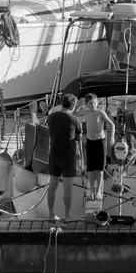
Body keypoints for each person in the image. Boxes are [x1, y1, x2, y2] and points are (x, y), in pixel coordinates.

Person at [47, 93, 82, 221]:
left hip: (54, 155)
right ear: (73, 106)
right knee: (68, 187)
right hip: (68, 156)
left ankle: (51, 214)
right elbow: (78, 140)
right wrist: (81, 160)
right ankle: (67, 216)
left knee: (52, 186)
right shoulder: (74, 120)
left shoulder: (51, 117)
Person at [75, 93, 115, 200]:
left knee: (100, 169)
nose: (92, 105)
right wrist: (78, 104)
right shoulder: (86, 112)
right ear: (87, 104)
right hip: (90, 142)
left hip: (100, 142)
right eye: (90, 103)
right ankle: (92, 191)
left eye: (94, 102)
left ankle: (98, 192)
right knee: (91, 170)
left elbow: (112, 124)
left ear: (97, 103)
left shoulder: (100, 112)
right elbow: (74, 113)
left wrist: (112, 138)